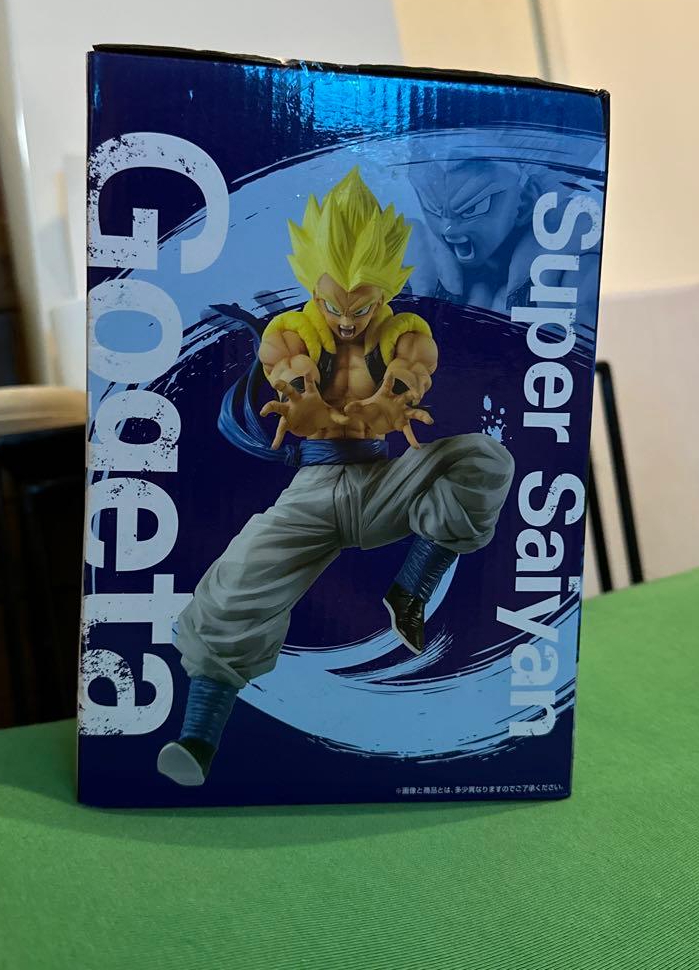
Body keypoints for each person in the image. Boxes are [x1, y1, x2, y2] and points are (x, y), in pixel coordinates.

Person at [159, 168, 514, 786]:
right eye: (333, 306)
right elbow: (288, 373)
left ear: (386, 289)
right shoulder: (291, 332)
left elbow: (412, 372)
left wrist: (395, 398)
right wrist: (307, 405)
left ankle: (411, 588)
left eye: (362, 306)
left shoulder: (405, 333)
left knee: (484, 458)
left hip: (380, 483)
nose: (347, 320)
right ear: (312, 286)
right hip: (313, 494)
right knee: (233, 587)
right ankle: (197, 739)